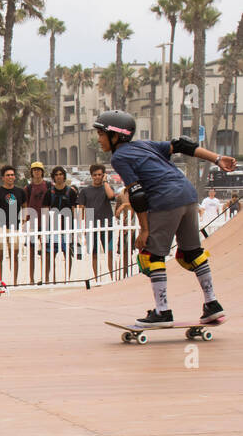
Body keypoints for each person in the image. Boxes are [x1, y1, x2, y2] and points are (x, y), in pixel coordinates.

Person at [91, 109, 235, 324]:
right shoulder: (145, 144)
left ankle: (162, 311)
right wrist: (218, 158)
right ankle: (212, 303)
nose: (98, 139)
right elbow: (182, 144)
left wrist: (145, 229)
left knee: (152, 256)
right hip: (187, 195)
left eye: (101, 134)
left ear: (115, 136)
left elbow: (137, 194)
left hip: (165, 200)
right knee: (192, 253)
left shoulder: (120, 157)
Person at [0, 165, 26, 284]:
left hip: (15, 228)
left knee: (15, 255)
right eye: (8, 175)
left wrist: (22, 221)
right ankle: (0, 281)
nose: (10, 177)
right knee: (0, 256)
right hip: (1, 227)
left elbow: (25, 208)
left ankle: (14, 281)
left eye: (12, 175)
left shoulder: (20, 192)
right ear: (3, 177)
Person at [77, 163, 119, 278]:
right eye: (95, 175)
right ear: (91, 176)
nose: (97, 177)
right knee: (94, 255)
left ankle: (113, 278)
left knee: (110, 253)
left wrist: (105, 182)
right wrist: (83, 227)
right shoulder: (85, 191)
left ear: (103, 175)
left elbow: (111, 196)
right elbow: (81, 210)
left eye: (100, 175)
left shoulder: (107, 188)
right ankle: (97, 278)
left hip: (107, 225)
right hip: (92, 226)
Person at [41, 166, 80, 283]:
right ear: (53, 177)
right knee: (49, 255)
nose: (59, 176)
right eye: (56, 174)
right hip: (52, 229)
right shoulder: (49, 192)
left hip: (67, 228)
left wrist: (74, 229)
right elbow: (45, 211)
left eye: (61, 174)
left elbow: (74, 211)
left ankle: (66, 278)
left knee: (67, 254)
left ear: (64, 176)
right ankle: (48, 279)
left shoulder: (71, 192)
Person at [20, 160, 49, 283]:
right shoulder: (28, 188)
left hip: (45, 222)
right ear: (31, 172)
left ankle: (46, 278)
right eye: (35, 170)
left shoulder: (48, 186)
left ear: (42, 172)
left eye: (39, 170)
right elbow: (24, 205)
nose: (37, 172)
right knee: (31, 252)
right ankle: (32, 278)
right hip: (32, 223)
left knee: (46, 251)